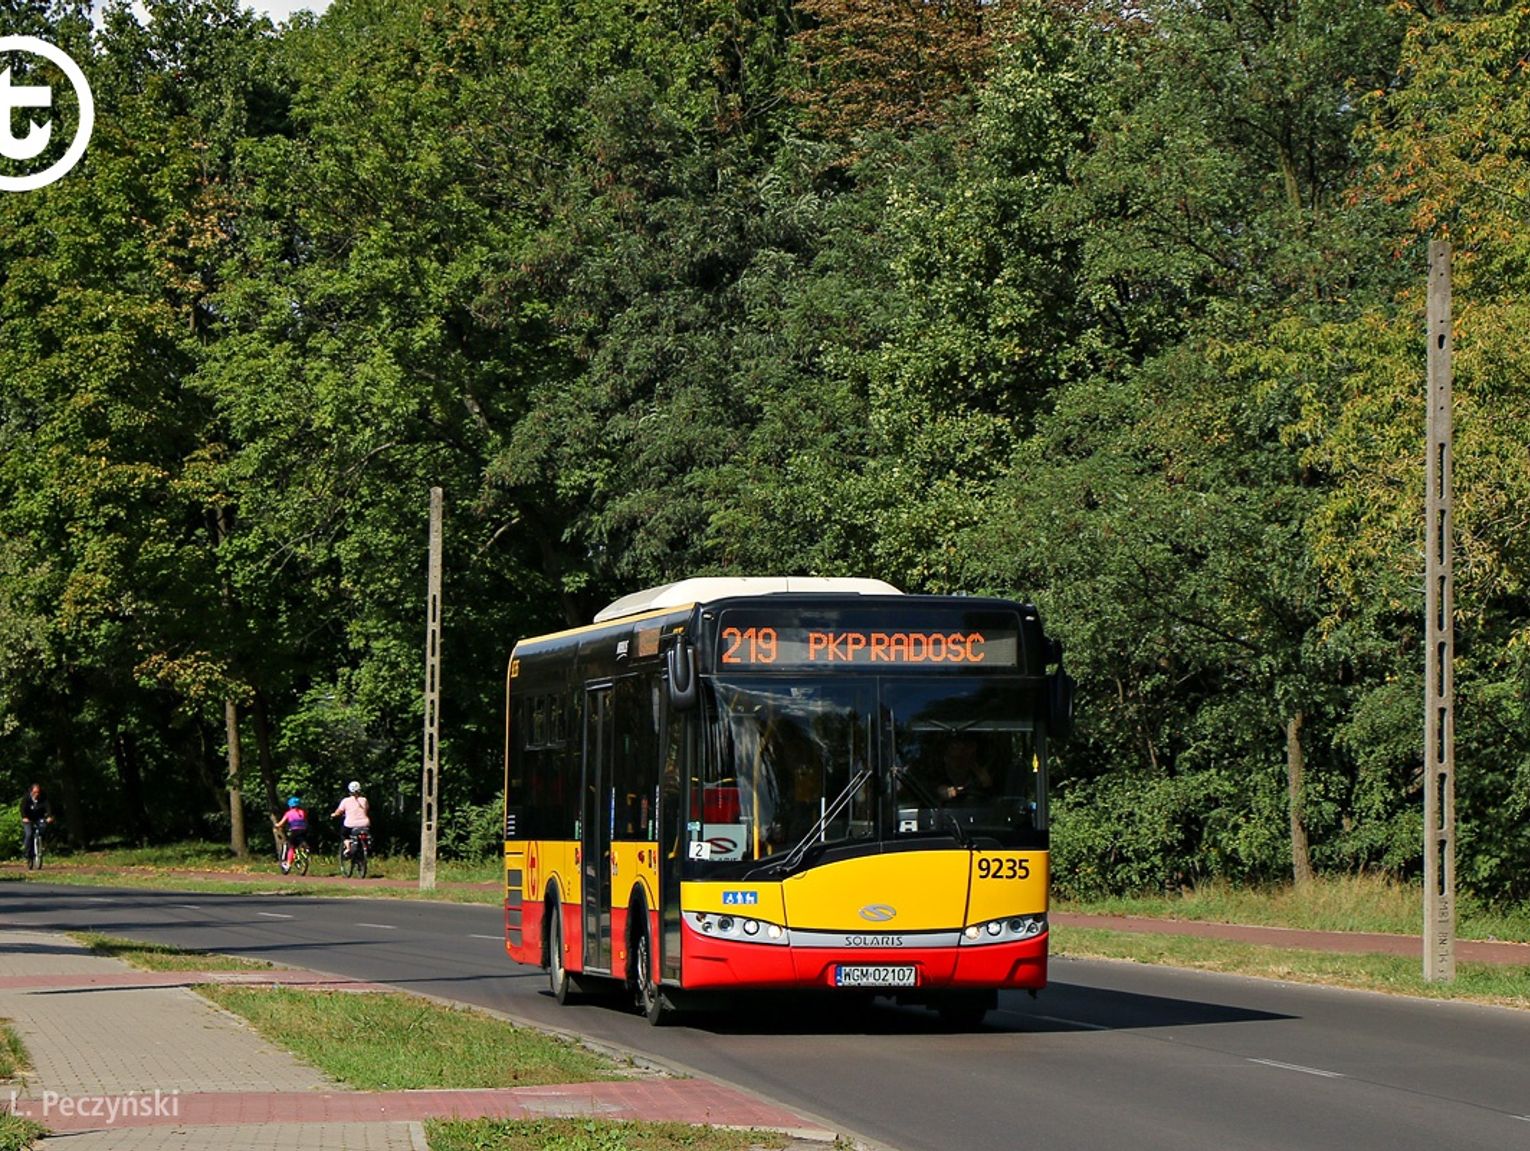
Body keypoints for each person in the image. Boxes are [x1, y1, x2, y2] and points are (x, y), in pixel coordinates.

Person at [936, 737, 992, 802]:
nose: (961, 762)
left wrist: (987, 785)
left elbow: (995, 801)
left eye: (966, 756)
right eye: (957, 758)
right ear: (946, 758)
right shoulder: (937, 778)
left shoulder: (980, 777)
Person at [332, 781, 370, 857]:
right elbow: (367, 809)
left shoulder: (345, 801)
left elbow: (339, 812)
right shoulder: (364, 800)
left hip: (350, 824)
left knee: (344, 834)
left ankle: (348, 847)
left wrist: (334, 815)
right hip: (365, 824)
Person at [20, 783, 52, 870]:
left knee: (43, 827)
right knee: (29, 834)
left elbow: (47, 806)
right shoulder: (26, 798)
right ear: (31, 791)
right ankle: (27, 854)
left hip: (39, 817)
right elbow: (22, 808)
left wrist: (49, 816)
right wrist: (24, 817)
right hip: (28, 818)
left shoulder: (43, 798)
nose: (36, 794)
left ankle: (42, 843)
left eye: (38, 792)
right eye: (34, 792)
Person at [275, 797, 309, 873]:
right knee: (300, 840)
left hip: (295, 831)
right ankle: (304, 848)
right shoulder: (302, 812)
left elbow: (281, 823)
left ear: (290, 805)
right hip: (304, 830)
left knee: (291, 847)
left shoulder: (288, 813)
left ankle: (288, 865)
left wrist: (277, 825)